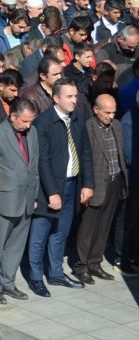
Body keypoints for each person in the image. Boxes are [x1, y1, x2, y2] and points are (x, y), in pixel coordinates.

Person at [28, 78, 94, 297]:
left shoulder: (77, 118)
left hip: (71, 185)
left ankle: (56, 273)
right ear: (56, 98)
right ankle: (36, 277)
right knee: (40, 234)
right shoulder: (43, 123)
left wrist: (87, 184)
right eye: (69, 96)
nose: (74, 100)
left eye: (75, 96)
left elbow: (85, 152)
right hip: (49, 190)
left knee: (61, 233)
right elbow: (42, 161)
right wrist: (52, 192)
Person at [0, 98, 40, 304]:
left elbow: (35, 164)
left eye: (30, 121)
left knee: (16, 245)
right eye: (24, 121)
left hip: (26, 198)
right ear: (13, 115)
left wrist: (34, 197)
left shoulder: (32, 133)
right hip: (4, 199)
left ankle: (8, 282)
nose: (28, 125)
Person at [73, 94, 127, 283]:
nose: (111, 116)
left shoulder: (117, 126)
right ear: (96, 110)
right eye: (107, 112)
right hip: (95, 184)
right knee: (88, 226)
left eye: (113, 112)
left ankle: (95, 262)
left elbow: (120, 155)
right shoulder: (88, 127)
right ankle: (81, 265)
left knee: (104, 225)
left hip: (114, 181)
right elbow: (84, 158)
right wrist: (87, 185)